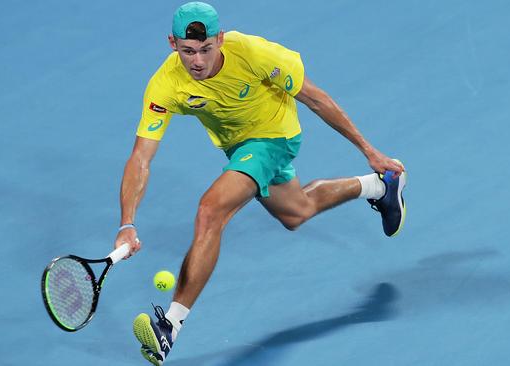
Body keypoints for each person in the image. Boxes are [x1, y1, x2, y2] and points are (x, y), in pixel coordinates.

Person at [114, 2, 407, 365]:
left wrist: (369, 149)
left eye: (206, 48)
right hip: (238, 148)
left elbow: (315, 98)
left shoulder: (254, 53)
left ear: (220, 39)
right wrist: (127, 222)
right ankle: (379, 187)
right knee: (296, 211)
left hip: (275, 137)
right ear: (172, 44)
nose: (198, 61)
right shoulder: (165, 84)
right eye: (188, 51)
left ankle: (169, 328)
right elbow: (141, 157)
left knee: (210, 211)